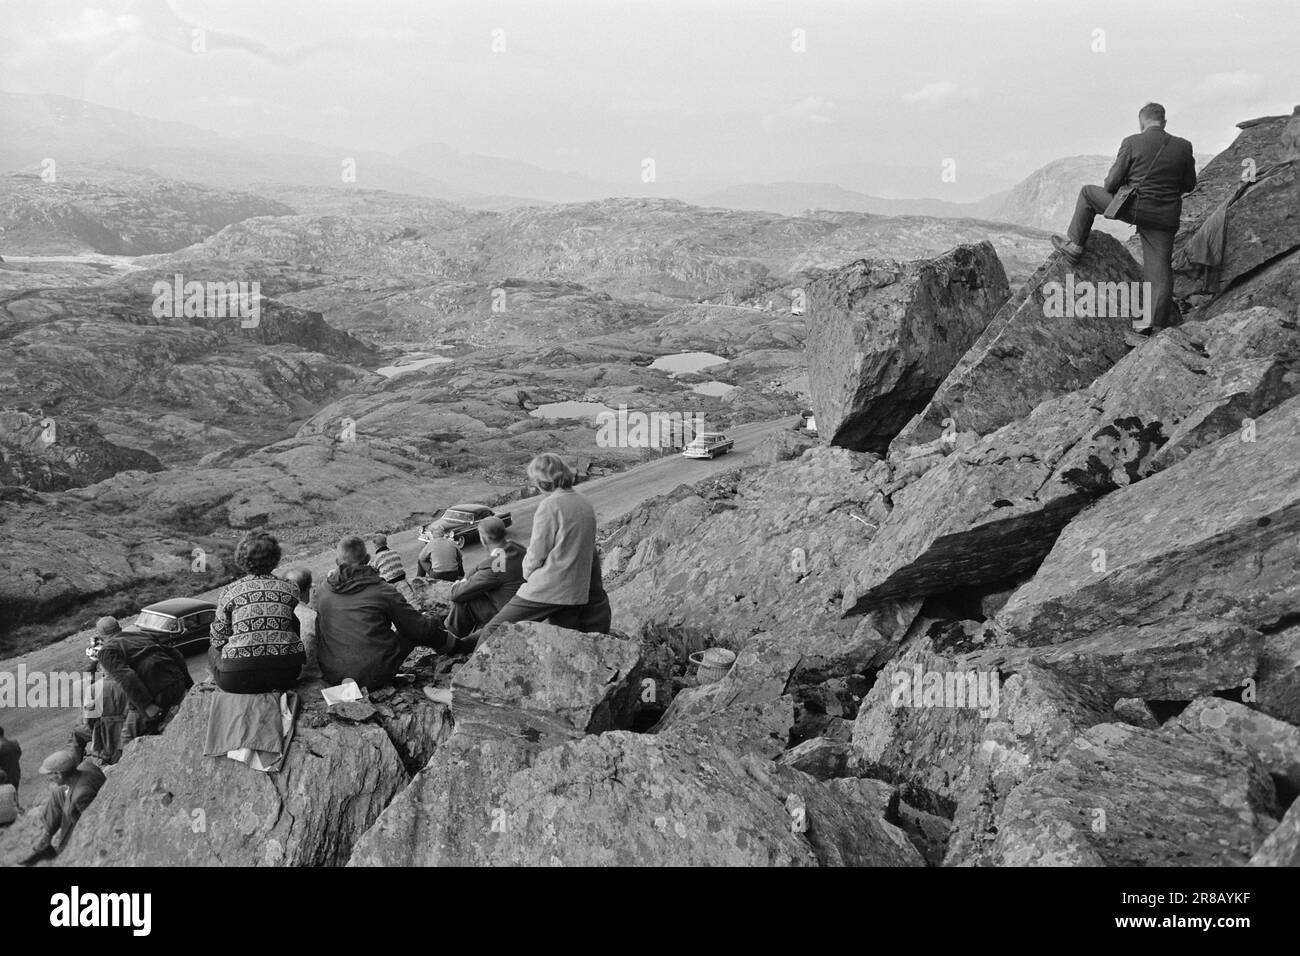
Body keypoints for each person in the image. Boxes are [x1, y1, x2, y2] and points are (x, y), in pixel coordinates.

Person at [1052, 102, 1197, 333]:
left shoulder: (1132, 142)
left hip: (1135, 209)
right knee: (1159, 268)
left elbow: (1111, 183)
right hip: (1165, 216)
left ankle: (1075, 245)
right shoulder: (1183, 146)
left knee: (1087, 193)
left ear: (1142, 122)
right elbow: (1190, 184)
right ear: (1164, 122)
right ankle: (1153, 324)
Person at [478, 453, 602, 635]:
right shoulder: (584, 501)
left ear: (543, 480)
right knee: (562, 640)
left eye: (535, 479)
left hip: (549, 588)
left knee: (494, 630)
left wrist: (528, 576)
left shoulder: (550, 505)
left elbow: (536, 553)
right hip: (577, 592)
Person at [316, 535, 453, 688]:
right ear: (368, 558)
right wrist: (433, 618)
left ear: (337, 562)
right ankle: (455, 646)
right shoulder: (382, 590)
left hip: (333, 674)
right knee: (416, 627)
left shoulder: (322, 591)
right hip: (373, 675)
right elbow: (418, 630)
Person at [208, 532, 305, 693]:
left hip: (236, 679)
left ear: (241, 560)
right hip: (286, 674)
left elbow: (218, 639)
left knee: (212, 650)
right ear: (275, 558)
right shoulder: (290, 588)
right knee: (291, 619)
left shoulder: (230, 592)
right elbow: (294, 626)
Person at [97, 618, 194, 745]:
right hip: (176, 682)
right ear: (119, 628)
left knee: (128, 740)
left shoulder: (107, 651)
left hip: (155, 693)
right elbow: (176, 654)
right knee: (164, 725)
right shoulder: (143, 635)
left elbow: (126, 676)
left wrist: (146, 705)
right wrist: (188, 684)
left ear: (101, 635)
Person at [445, 517, 526, 639]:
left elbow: (455, 594)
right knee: (470, 592)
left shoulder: (496, 567)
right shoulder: (516, 548)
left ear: (484, 538)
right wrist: (469, 576)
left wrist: (462, 582)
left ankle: (449, 638)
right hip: (521, 606)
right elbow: (481, 566)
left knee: (462, 600)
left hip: (508, 615)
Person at [22, 750, 106, 863]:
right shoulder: (86, 766)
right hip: (83, 798)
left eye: (50, 774)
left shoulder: (81, 796)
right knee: (58, 793)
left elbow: (88, 825)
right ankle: (46, 840)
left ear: (59, 774)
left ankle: (59, 850)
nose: (49, 778)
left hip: (87, 820)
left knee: (67, 817)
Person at [283, 567, 320, 681]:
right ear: (307, 589)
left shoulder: (277, 614)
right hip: (314, 676)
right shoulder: (314, 617)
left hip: (289, 678)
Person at [370, 533, 414, 603]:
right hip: (402, 579)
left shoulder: (377, 558)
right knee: (411, 600)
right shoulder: (394, 552)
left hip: (389, 583)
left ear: (375, 545)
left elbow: (372, 570)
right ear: (386, 542)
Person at [0, 726, 20, 795]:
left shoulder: (1, 747)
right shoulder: (15, 743)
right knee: (14, 796)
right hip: (16, 775)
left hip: (3, 780)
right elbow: (19, 755)